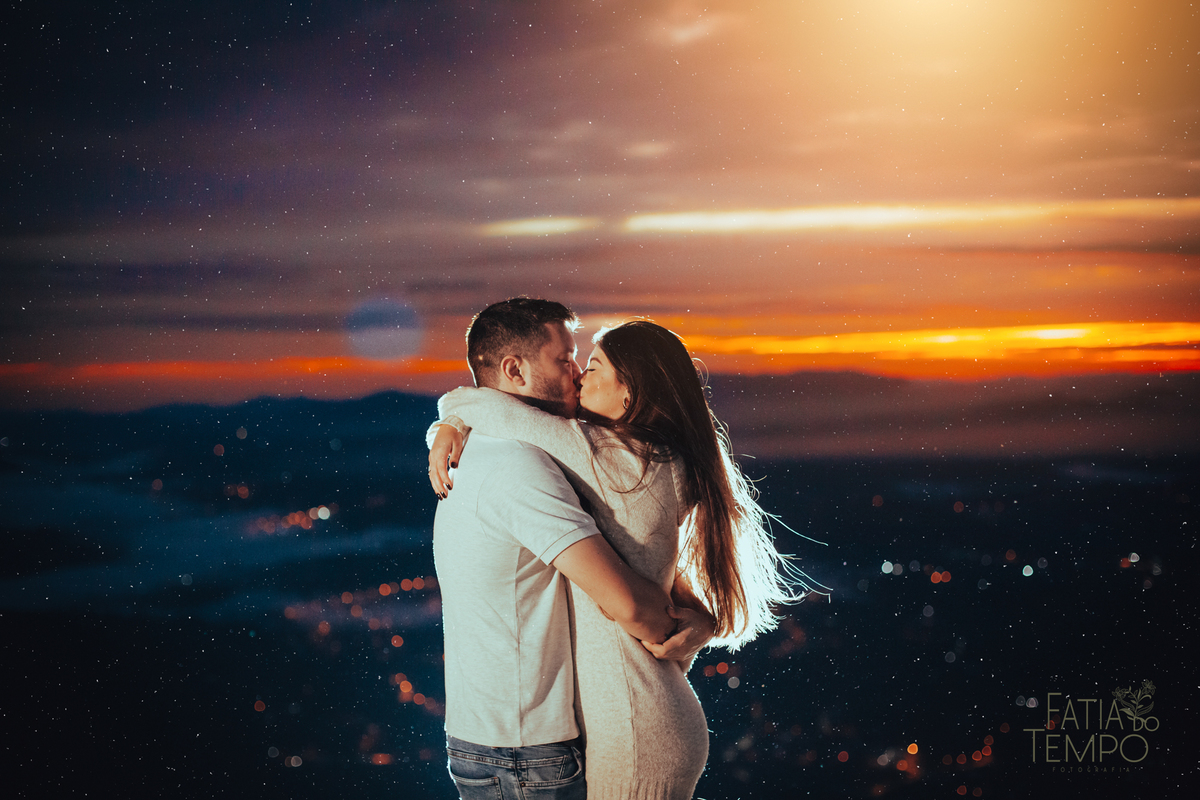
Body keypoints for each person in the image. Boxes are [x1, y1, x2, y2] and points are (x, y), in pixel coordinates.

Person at [430, 318, 801, 799]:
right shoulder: (649, 456)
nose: (580, 374)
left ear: (631, 395)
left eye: (593, 365)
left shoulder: (613, 459)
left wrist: (450, 419)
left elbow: (494, 407)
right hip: (641, 716)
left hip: (634, 728)